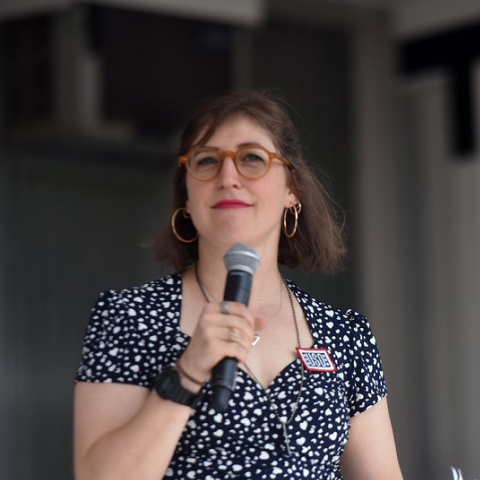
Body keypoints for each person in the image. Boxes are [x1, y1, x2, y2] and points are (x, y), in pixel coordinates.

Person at [73, 89, 403, 480]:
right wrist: (187, 374)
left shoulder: (346, 336)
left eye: (251, 159)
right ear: (187, 194)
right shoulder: (129, 318)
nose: (228, 178)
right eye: (207, 161)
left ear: (290, 188)